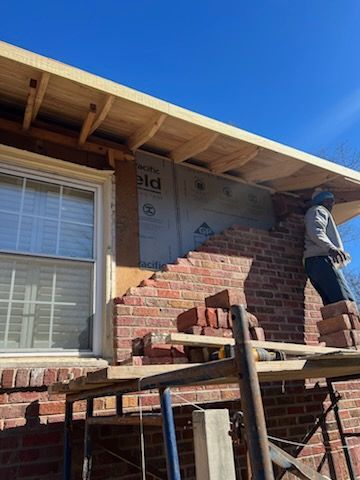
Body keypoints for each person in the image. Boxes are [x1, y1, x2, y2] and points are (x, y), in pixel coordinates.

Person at [304, 190, 355, 305]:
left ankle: (339, 323)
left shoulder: (314, 211)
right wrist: (331, 248)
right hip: (322, 260)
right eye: (329, 200)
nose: (332, 203)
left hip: (315, 262)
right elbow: (316, 231)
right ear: (321, 200)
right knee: (345, 302)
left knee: (333, 306)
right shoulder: (318, 210)